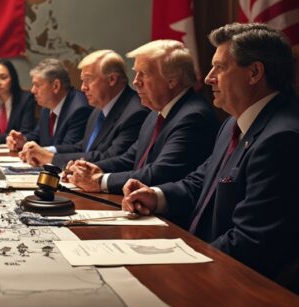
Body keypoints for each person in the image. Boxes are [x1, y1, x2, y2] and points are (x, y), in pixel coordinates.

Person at [123, 23, 299, 284]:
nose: (207, 78)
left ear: (254, 72)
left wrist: (182, 263)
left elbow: (251, 241)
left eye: (220, 67)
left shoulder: (282, 138)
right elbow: (201, 182)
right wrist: (156, 196)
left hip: (242, 286)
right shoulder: (233, 122)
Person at [63, 40, 219, 193]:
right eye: (136, 73)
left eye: (143, 74)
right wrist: (93, 169)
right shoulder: (155, 113)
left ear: (172, 80)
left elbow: (161, 173)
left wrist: (99, 181)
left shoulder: (193, 117)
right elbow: (129, 159)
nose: (136, 81)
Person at [17, 50, 148, 168]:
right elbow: (84, 146)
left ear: (112, 79)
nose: (83, 88)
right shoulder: (98, 109)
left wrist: (51, 158)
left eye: (88, 80)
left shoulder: (135, 112)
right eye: (82, 81)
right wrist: (44, 152)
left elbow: (110, 157)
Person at [6, 59, 91, 151]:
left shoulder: (79, 109)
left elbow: (71, 149)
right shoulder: (48, 105)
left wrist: (41, 152)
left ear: (56, 86)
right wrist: (23, 141)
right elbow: (38, 135)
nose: (32, 90)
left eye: (37, 85)